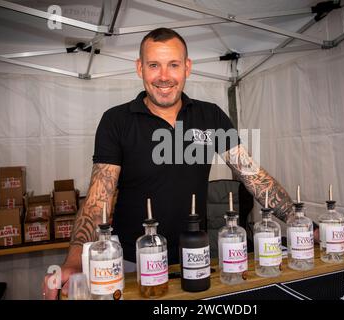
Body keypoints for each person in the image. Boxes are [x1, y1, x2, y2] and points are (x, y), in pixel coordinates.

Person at [42, 28, 313, 300]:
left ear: (187, 67)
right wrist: (75, 261)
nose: (163, 76)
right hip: (131, 265)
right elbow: (99, 198)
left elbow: (252, 175)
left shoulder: (211, 116)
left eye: (173, 65)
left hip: (194, 258)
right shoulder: (116, 121)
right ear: (140, 68)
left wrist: (296, 219)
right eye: (153, 65)